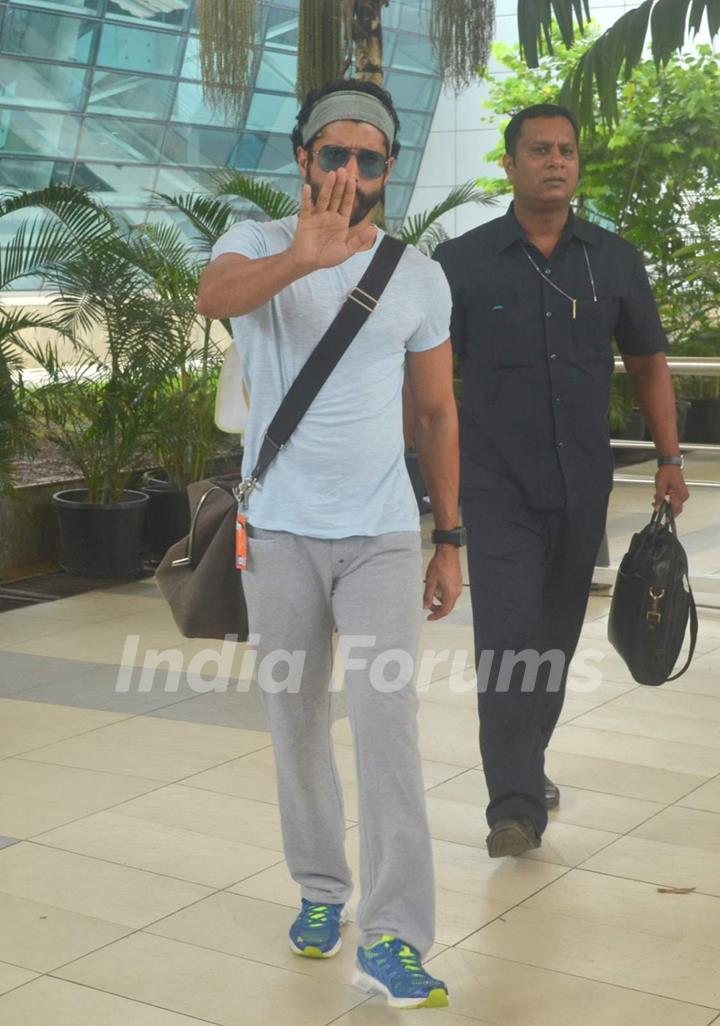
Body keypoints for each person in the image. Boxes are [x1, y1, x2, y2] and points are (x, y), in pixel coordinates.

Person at [197, 79, 463, 1009]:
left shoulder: (417, 274)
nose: (351, 170)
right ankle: (319, 889)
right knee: (297, 722)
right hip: (280, 532)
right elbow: (211, 296)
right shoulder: (258, 241)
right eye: (335, 153)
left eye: (370, 158)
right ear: (303, 156)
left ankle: (394, 935)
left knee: (388, 726)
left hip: (384, 535)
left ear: (388, 170)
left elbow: (435, 409)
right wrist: (303, 260)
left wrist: (450, 537)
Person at [433, 103, 689, 859]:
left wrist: (671, 459)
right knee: (508, 639)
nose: (555, 161)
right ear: (509, 165)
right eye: (539, 150)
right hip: (495, 487)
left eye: (567, 151)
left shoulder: (611, 260)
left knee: (551, 644)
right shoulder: (462, 263)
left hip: (582, 486)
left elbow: (647, 363)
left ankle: (526, 764)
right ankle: (512, 806)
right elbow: (433, 384)